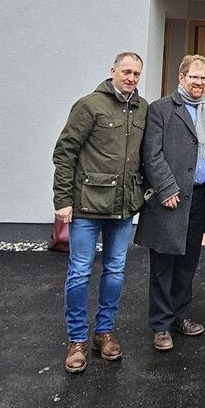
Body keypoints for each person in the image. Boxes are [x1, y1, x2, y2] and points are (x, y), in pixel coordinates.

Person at [52, 52, 147, 374]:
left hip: (123, 208)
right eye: (126, 71)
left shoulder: (142, 108)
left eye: (136, 73)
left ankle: (104, 333)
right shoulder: (89, 105)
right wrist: (62, 200)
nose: (131, 78)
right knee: (80, 272)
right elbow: (65, 152)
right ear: (113, 71)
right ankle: (77, 340)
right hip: (87, 206)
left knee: (115, 271)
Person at [134, 54, 205, 351]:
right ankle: (161, 325)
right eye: (194, 77)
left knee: (188, 261)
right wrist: (166, 188)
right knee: (164, 264)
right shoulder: (161, 109)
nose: (199, 82)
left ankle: (181, 316)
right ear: (181, 77)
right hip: (169, 199)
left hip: (200, 197)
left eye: (203, 78)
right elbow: (151, 155)